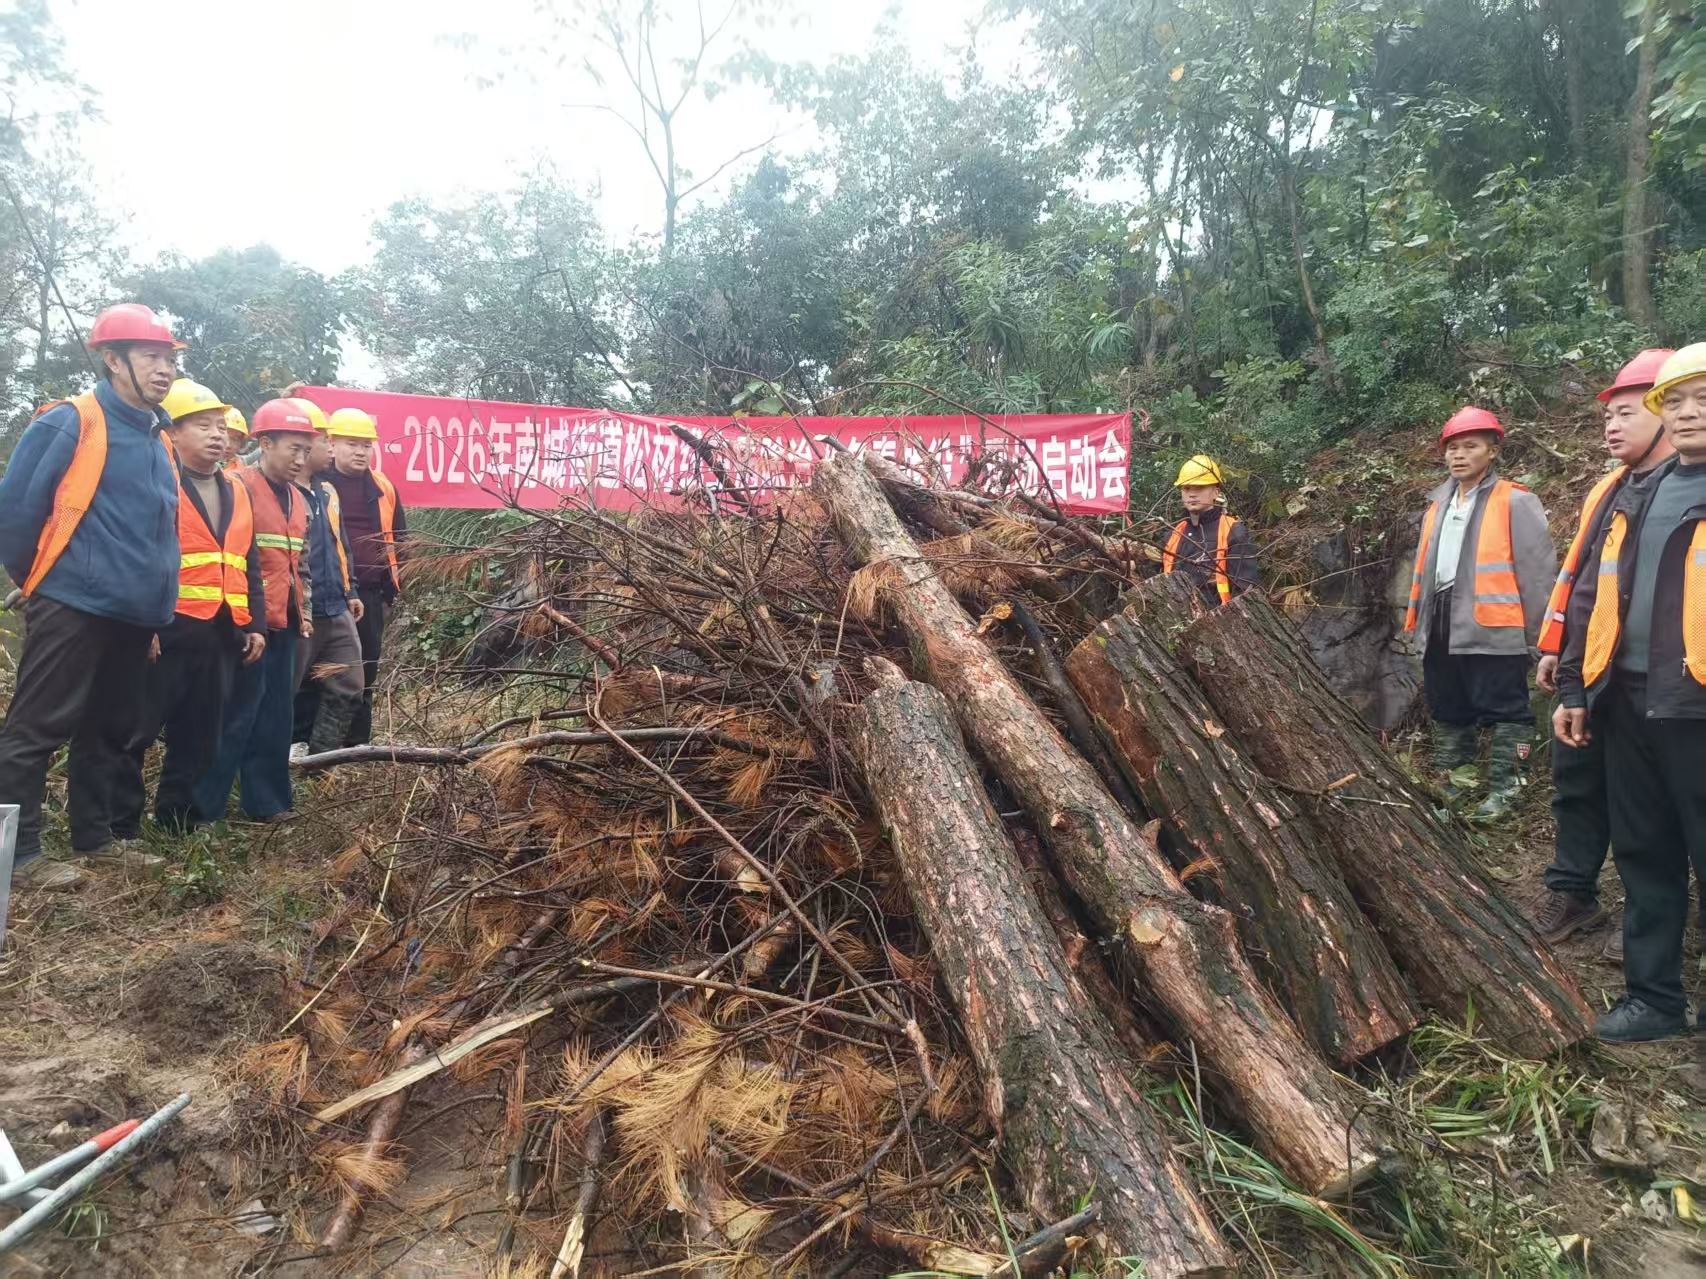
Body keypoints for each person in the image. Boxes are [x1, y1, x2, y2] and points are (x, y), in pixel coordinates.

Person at [0, 304, 184, 887]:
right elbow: (16, 514)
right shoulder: (70, 420)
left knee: (111, 727)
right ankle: (18, 854)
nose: (164, 370)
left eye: (170, 359)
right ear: (113, 359)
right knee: (37, 726)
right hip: (73, 605)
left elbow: (157, 533)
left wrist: (155, 610)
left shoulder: (159, 439)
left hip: (135, 614)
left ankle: (95, 838)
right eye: (152, 357)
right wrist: (46, 583)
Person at [1556, 342, 1706, 1041]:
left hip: (1697, 707)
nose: (1687, 412)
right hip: (1630, 701)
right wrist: (1579, 689)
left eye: (1701, 398)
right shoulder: (1637, 494)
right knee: (1643, 850)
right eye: (1674, 401)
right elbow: (1595, 596)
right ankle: (1655, 999)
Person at [1529, 350, 1676, 952]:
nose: (1611, 426)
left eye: (1625, 411)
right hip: (1595, 671)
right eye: (1606, 415)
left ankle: (1662, 922)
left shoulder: (1683, 489)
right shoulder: (1609, 488)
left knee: (1666, 803)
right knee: (1578, 782)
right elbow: (1581, 580)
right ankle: (1574, 892)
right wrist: (1559, 653)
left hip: (1664, 680)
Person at [111, 380, 267, 837]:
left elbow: (247, 560)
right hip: (166, 628)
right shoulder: (157, 483)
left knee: (198, 734)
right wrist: (142, 623)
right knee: (136, 731)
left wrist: (254, 623)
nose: (218, 435)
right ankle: (120, 827)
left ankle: (175, 822)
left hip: (220, 634)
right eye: (203, 426)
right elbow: (135, 554)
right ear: (172, 433)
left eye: (221, 426)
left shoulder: (236, 489)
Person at [1403, 406, 1555, 821]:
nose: (1458, 455)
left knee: (1505, 706)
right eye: (1452, 447)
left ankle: (1508, 789)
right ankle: (1456, 783)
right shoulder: (1437, 503)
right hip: (1440, 620)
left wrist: (1539, 636)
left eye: (1470, 446)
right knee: (1448, 703)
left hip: (1494, 623)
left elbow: (1538, 572)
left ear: (1492, 451)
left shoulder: (1516, 500)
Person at [192, 399, 316, 824]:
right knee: (233, 716)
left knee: (276, 716)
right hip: (242, 622)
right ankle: (204, 810)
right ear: (265, 443)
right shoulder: (234, 486)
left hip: (284, 622)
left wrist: (306, 612)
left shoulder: (300, 499)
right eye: (293, 449)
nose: (301, 459)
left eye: (306, 450)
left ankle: (267, 803)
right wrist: (245, 622)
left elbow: (302, 563)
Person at [324, 408, 406, 745]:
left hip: (371, 595)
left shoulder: (382, 486)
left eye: (366, 445)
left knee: (366, 671)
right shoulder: (317, 484)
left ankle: (356, 746)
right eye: (352, 444)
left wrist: (393, 589)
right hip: (328, 596)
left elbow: (400, 537)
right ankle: (318, 748)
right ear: (331, 445)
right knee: (325, 674)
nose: (361, 451)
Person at [290, 414, 366, 758]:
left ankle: (322, 759)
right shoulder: (281, 490)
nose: (331, 449)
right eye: (325, 442)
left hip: (335, 605)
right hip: (298, 609)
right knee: (286, 688)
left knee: (350, 684)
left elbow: (340, 544)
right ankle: (282, 755)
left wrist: (349, 590)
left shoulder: (327, 491)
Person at [1161, 454, 1258, 605]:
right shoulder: (1173, 535)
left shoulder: (1233, 532)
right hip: (1176, 620)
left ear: (1216, 492)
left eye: (1199, 488)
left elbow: (1245, 590)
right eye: (1186, 488)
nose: (1192, 494)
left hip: (1221, 621)